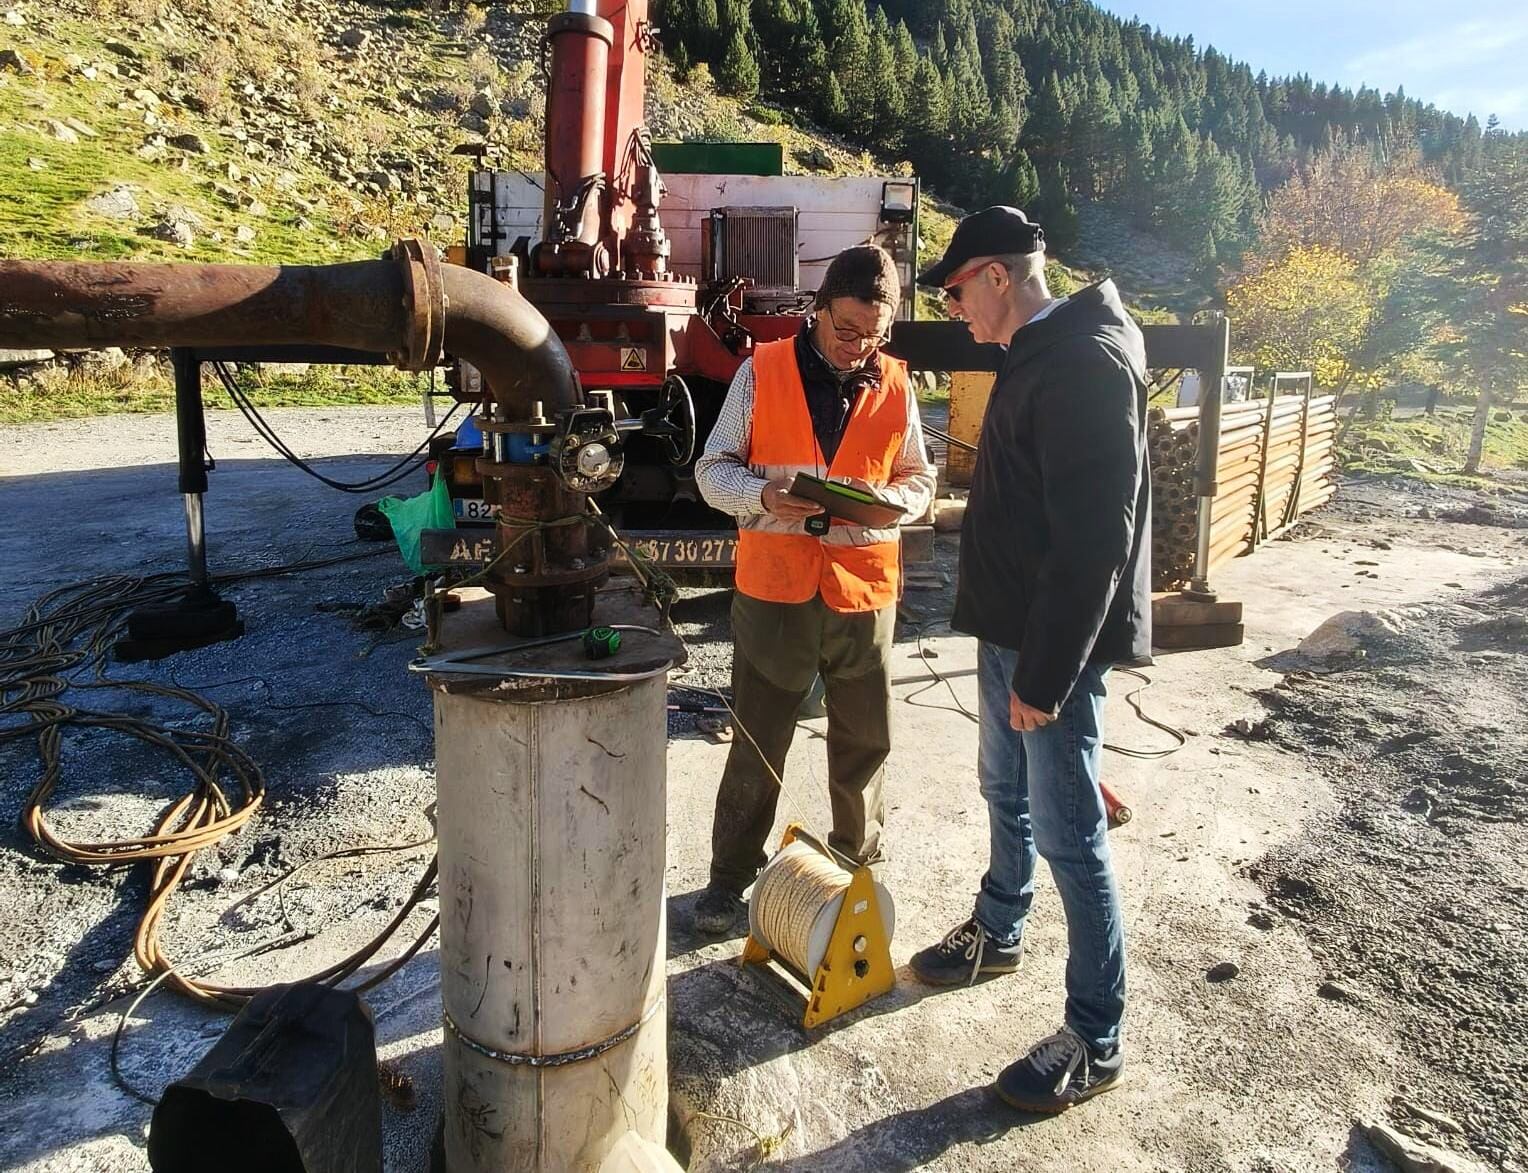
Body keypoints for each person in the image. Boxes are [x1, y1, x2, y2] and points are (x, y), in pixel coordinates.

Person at [907, 206, 1151, 1113]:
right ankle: (1000, 928)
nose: (957, 308)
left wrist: (1046, 678)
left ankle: (1096, 1036)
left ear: (999, 277)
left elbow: (1096, 541)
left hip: (1051, 650)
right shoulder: (1044, 349)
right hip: (1011, 630)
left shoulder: (1084, 358)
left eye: (960, 289)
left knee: (1071, 836)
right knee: (1002, 793)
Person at [690, 246, 937, 937]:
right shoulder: (759, 372)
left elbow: (920, 478)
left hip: (864, 596)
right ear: (817, 310)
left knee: (865, 743)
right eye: (847, 331)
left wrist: (889, 500)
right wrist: (763, 491)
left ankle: (853, 871)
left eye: (874, 335)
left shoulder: (896, 383)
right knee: (757, 741)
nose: (860, 348)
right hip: (775, 594)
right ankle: (727, 879)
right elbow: (712, 472)